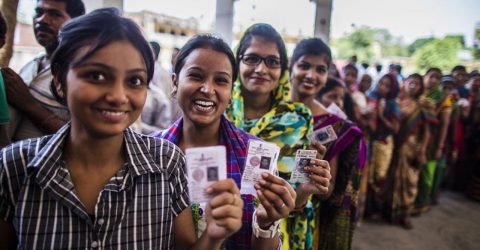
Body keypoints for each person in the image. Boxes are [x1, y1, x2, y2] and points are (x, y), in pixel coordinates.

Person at [0, 9, 242, 249]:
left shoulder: (166, 163)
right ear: (60, 80)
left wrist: (213, 236)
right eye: (96, 76)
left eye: (134, 80)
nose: (117, 96)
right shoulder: (16, 167)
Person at [152, 34, 304, 249]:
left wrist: (267, 221)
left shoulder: (255, 154)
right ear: (175, 82)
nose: (208, 89)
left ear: (231, 92)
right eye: (196, 76)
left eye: (221, 80)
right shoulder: (149, 152)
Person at [226, 24, 331, 249]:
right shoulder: (218, 113)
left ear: (283, 69)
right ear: (238, 62)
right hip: (219, 229)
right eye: (252, 58)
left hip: (277, 234)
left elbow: (298, 198)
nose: (262, 69)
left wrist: (305, 189)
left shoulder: (298, 120)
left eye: (272, 61)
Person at [290, 38, 366, 250]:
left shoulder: (334, 126)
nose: (311, 75)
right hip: (260, 209)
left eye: (320, 69)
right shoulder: (271, 111)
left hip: (302, 219)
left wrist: (313, 179)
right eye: (304, 65)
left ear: (326, 76)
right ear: (291, 66)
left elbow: (328, 190)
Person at [3, 0, 85, 141]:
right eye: (38, 13)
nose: (42, 20)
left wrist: (28, 104)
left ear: (76, 23)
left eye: (54, 14)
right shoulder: (32, 64)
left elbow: (83, 140)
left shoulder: (79, 72)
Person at [384, 73, 431, 229]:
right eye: (411, 82)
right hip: (394, 147)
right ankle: (390, 211)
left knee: (410, 181)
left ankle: (405, 214)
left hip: (411, 148)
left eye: (417, 83)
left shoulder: (422, 105)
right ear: (405, 83)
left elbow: (427, 131)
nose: (413, 85)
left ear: (420, 87)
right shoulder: (396, 102)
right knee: (392, 178)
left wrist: (422, 150)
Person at [414, 68, 452, 213]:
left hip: (432, 140)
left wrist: (439, 146)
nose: (433, 80)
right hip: (415, 137)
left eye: (437, 78)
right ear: (425, 77)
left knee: (426, 172)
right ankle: (411, 200)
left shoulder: (443, 98)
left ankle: (422, 203)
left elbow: (444, 124)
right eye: (431, 76)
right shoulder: (419, 93)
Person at [365, 73, 400, 219]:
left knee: (380, 175)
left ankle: (377, 209)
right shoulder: (372, 97)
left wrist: (381, 116)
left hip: (384, 143)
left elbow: (395, 129)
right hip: (371, 141)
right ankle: (368, 208)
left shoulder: (392, 104)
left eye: (387, 85)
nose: (382, 87)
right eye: (381, 83)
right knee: (369, 175)